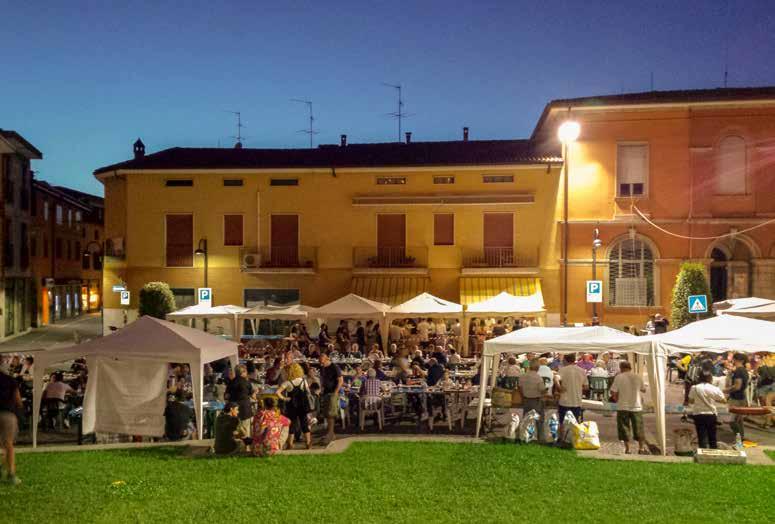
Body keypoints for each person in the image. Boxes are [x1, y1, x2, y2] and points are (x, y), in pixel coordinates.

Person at [609, 361, 648, 454]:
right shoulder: (637, 376)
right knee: (639, 428)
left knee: (624, 428)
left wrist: (616, 398)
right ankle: (641, 448)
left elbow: (613, 391)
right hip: (636, 406)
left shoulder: (619, 377)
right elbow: (644, 389)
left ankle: (628, 449)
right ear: (630, 367)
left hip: (623, 406)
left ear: (621, 368)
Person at [275, 365, 313, 449]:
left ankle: (290, 444)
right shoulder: (303, 381)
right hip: (302, 405)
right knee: (304, 424)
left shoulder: (288, 382)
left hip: (292, 405)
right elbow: (308, 392)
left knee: (292, 424)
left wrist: (284, 398)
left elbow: (277, 392)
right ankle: (308, 443)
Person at [688, 371, 726, 449]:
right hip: (711, 414)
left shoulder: (694, 388)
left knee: (701, 437)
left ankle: (702, 454)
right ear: (710, 379)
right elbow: (724, 401)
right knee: (712, 437)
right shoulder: (715, 388)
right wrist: (713, 399)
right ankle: (713, 454)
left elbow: (691, 401)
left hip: (698, 414)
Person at [0, 366, 22, 485]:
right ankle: (11, 475)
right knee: (8, 444)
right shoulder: (10, 380)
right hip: (8, 414)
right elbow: (18, 400)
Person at [519, 359, 548, 442]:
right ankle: (540, 438)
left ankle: (524, 437)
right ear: (537, 367)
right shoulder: (538, 377)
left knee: (526, 420)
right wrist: (546, 390)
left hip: (526, 399)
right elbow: (542, 390)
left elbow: (520, 388)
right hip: (536, 400)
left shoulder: (523, 375)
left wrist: (523, 396)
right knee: (539, 420)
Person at [556, 353, 588, 425]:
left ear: (565, 360)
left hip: (564, 401)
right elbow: (586, 387)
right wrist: (577, 387)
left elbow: (556, 378)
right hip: (576, 401)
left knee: (562, 423)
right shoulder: (582, 371)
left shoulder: (563, 370)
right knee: (575, 423)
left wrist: (559, 386)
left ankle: (562, 436)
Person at [225, 365, 255, 438]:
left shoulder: (231, 382)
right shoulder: (246, 382)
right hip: (245, 410)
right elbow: (253, 396)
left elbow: (226, 396)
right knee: (246, 432)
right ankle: (246, 448)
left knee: (235, 430)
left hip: (234, 410)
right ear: (243, 372)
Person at [319, 352, 343, 443]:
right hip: (325, 392)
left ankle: (330, 434)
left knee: (331, 414)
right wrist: (321, 389)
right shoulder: (322, 368)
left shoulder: (334, 367)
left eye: (322, 361)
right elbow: (323, 379)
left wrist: (335, 392)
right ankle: (331, 434)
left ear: (327, 359)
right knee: (327, 414)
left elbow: (340, 380)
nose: (321, 363)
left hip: (332, 393)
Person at [726, 353, 749, 440]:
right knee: (739, 420)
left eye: (734, 359)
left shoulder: (739, 371)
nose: (733, 361)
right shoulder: (744, 370)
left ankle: (738, 437)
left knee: (732, 420)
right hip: (742, 397)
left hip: (736, 398)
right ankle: (741, 437)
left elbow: (737, 386)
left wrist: (726, 390)